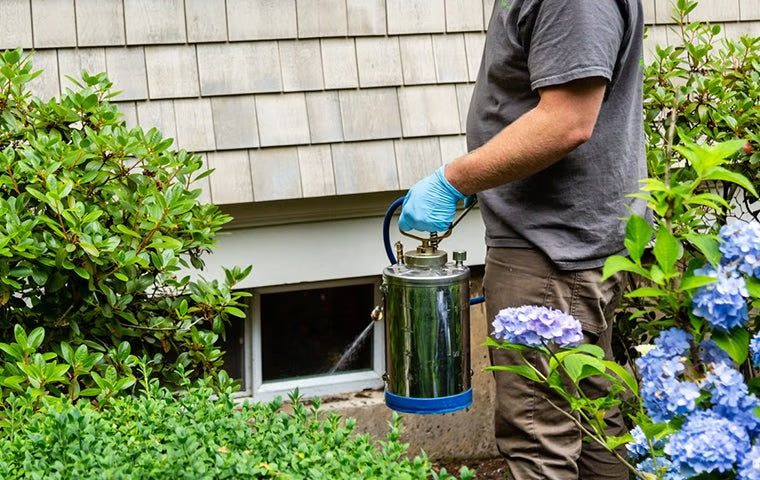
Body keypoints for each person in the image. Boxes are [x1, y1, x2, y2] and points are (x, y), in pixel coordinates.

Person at [398, 0, 647, 479]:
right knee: (596, 426)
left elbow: (567, 120)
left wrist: (456, 180)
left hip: (552, 256)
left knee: (537, 441)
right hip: (562, 249)